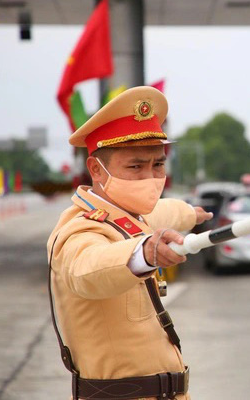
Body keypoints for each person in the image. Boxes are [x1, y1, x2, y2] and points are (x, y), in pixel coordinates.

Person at [47, 86, 212, 399]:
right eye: (135, 166)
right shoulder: (78, 231)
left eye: (158, 165)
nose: (150, 178)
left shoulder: (130, 216)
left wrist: (191, 213)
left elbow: (164, 211)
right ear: (96, 169)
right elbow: (87, 270)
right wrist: (146, 252)